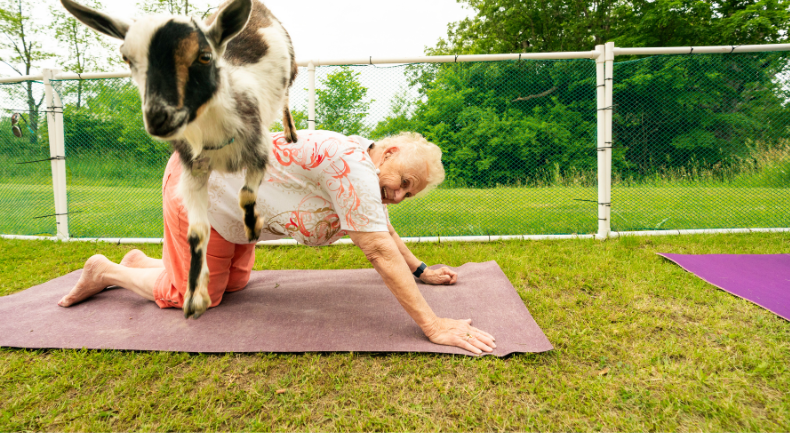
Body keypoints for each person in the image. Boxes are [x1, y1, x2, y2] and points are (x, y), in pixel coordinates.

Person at [58, 130, 496, 354]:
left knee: (234, 287)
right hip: (202, 188)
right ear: (389, 154)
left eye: (409, 194)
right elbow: (377, 249)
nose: (399, 196)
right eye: (403, 183)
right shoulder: (353, 166)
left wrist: (421, 271)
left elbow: (382, 228)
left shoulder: (367, 168)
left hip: (237, 212)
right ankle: (107, 270)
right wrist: (434, 326)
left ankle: (141, 263)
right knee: (197, 298)